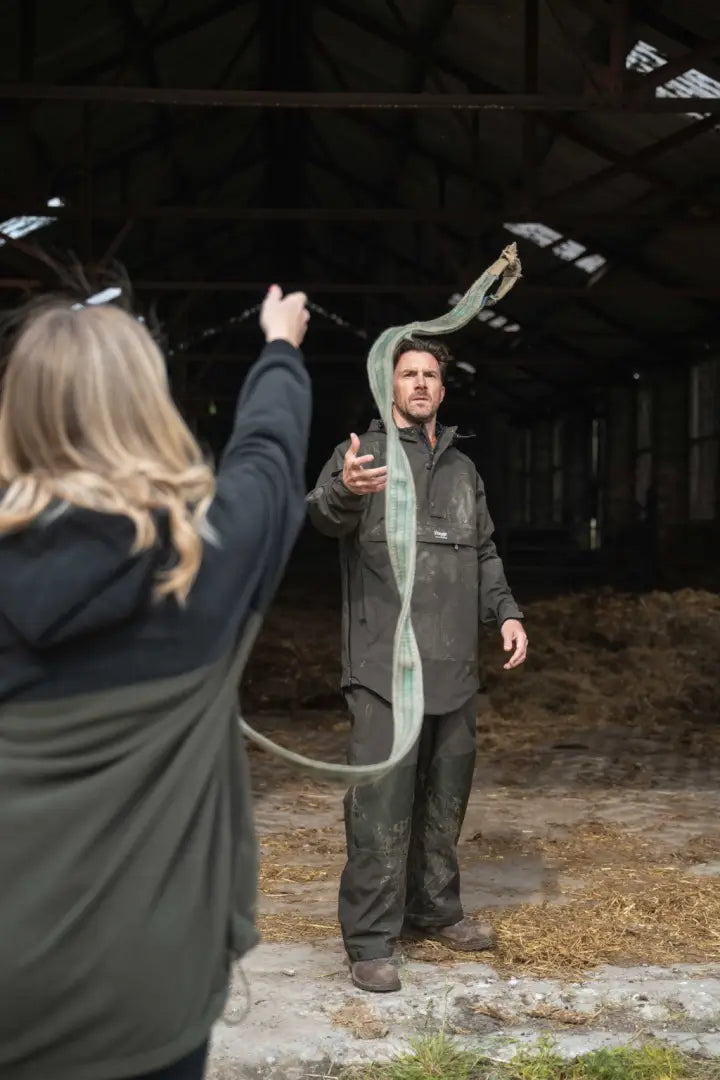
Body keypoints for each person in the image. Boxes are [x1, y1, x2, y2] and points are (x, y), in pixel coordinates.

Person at [0, 285, 312, 1080]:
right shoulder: (208, 560)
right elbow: (268, 457)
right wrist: (280, 347)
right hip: (147, 996)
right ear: (149, 406)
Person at [307, 335, 527, 994]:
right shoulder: (362, 458)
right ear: (389, 386)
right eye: (409, 374)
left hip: (455, 664)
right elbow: (323, 515)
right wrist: (347, 489)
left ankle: (434, 910)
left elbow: (484, 551)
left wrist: (507, 612)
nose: (422, 384)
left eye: (431, 374)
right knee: (380, 804)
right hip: (384, 668)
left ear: (443, 388)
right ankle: (372, 939)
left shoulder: (463, 470)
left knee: (443, 797)